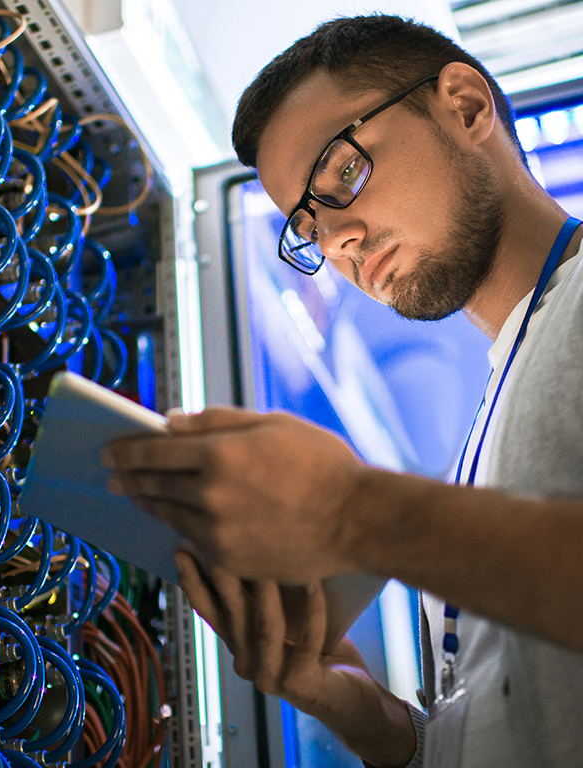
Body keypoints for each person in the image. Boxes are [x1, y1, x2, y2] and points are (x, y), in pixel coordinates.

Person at [101, 14, 583, 768]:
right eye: (307, 224)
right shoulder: (492, 417)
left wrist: (351, 512)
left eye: (341, 173)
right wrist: (364, 712)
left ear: (463, 106)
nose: (336, 242)